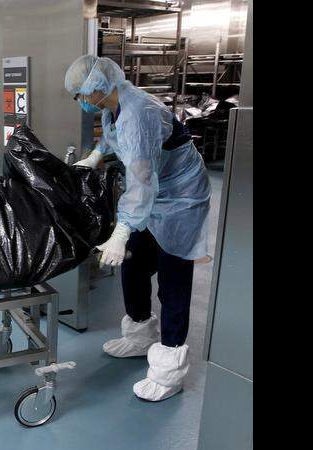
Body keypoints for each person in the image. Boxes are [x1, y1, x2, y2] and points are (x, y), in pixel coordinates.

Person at [64, 54, 211, 402]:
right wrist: (97, 155)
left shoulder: (139, 113)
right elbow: (113, 138)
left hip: (179, 198)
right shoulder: (113, 105)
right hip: (152, 197)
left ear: (99, 87)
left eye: (82, 94)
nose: (80, 101)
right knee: (134, 264)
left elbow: (143, 181)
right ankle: (140, 335)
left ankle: (168, 370)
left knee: (173, 276)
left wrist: (121, 230)